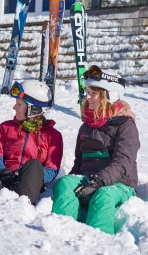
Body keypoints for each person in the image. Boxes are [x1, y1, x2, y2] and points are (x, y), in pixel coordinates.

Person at [52, 65, 139, 234]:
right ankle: (63, 234)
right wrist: (73, 180)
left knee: (103, 196)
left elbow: (123, 162)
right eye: (88, 92)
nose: (88, 98)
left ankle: (100, 242)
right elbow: (79, 162)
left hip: (120, 185)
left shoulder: (125, 126)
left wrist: (99, 181)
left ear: (110, 96)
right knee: (64, 183)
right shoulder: (86, 127)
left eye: (94, 93)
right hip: (89, 179)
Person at [0, 80, 63, 205]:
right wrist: (3, 171)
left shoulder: (53, 136)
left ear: (34, 110)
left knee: (35, 165)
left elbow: (51, 169)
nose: (14, 107)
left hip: (27, 182)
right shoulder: (5, 127)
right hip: (2, 177)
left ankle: (21, 202)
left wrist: (36, 177)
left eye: (19, 104)